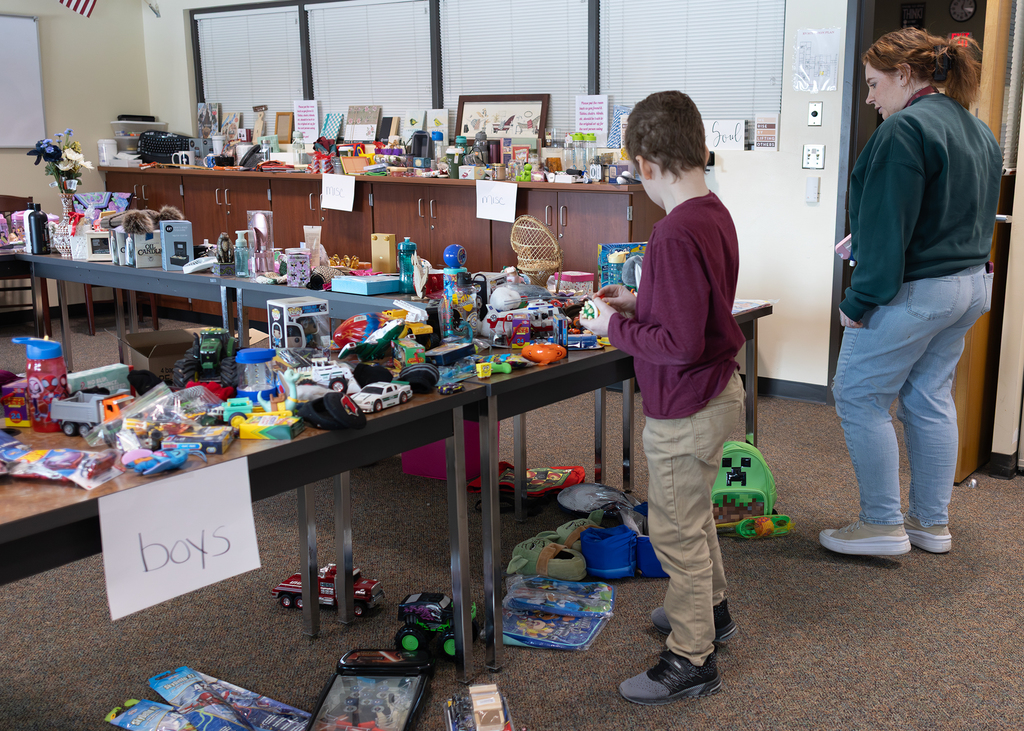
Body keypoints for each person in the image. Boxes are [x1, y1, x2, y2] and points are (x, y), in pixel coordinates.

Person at [580, 90, 745, 705]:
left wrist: (611, 328)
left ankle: (690, 659)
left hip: (685, 404)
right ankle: (712, 612)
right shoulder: (712, 211)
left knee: (675, 532)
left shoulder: (672, 233)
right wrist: (638, 304)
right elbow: (690, 313)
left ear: (646, 165)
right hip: (715, 390)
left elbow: (675, 344)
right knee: (694, 516)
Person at [819, 28, 1000, 557]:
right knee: (928, 398)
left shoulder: (904, 129)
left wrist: (858, 302)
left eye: (875, 84)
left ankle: (880, 524)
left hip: (918, 292)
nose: (870, 97)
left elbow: (895, 224)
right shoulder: (977, 128)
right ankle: (929, 524)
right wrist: (872, 233)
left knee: (858, 394)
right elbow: (945, 213)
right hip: (967, 287)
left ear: (904, 75)